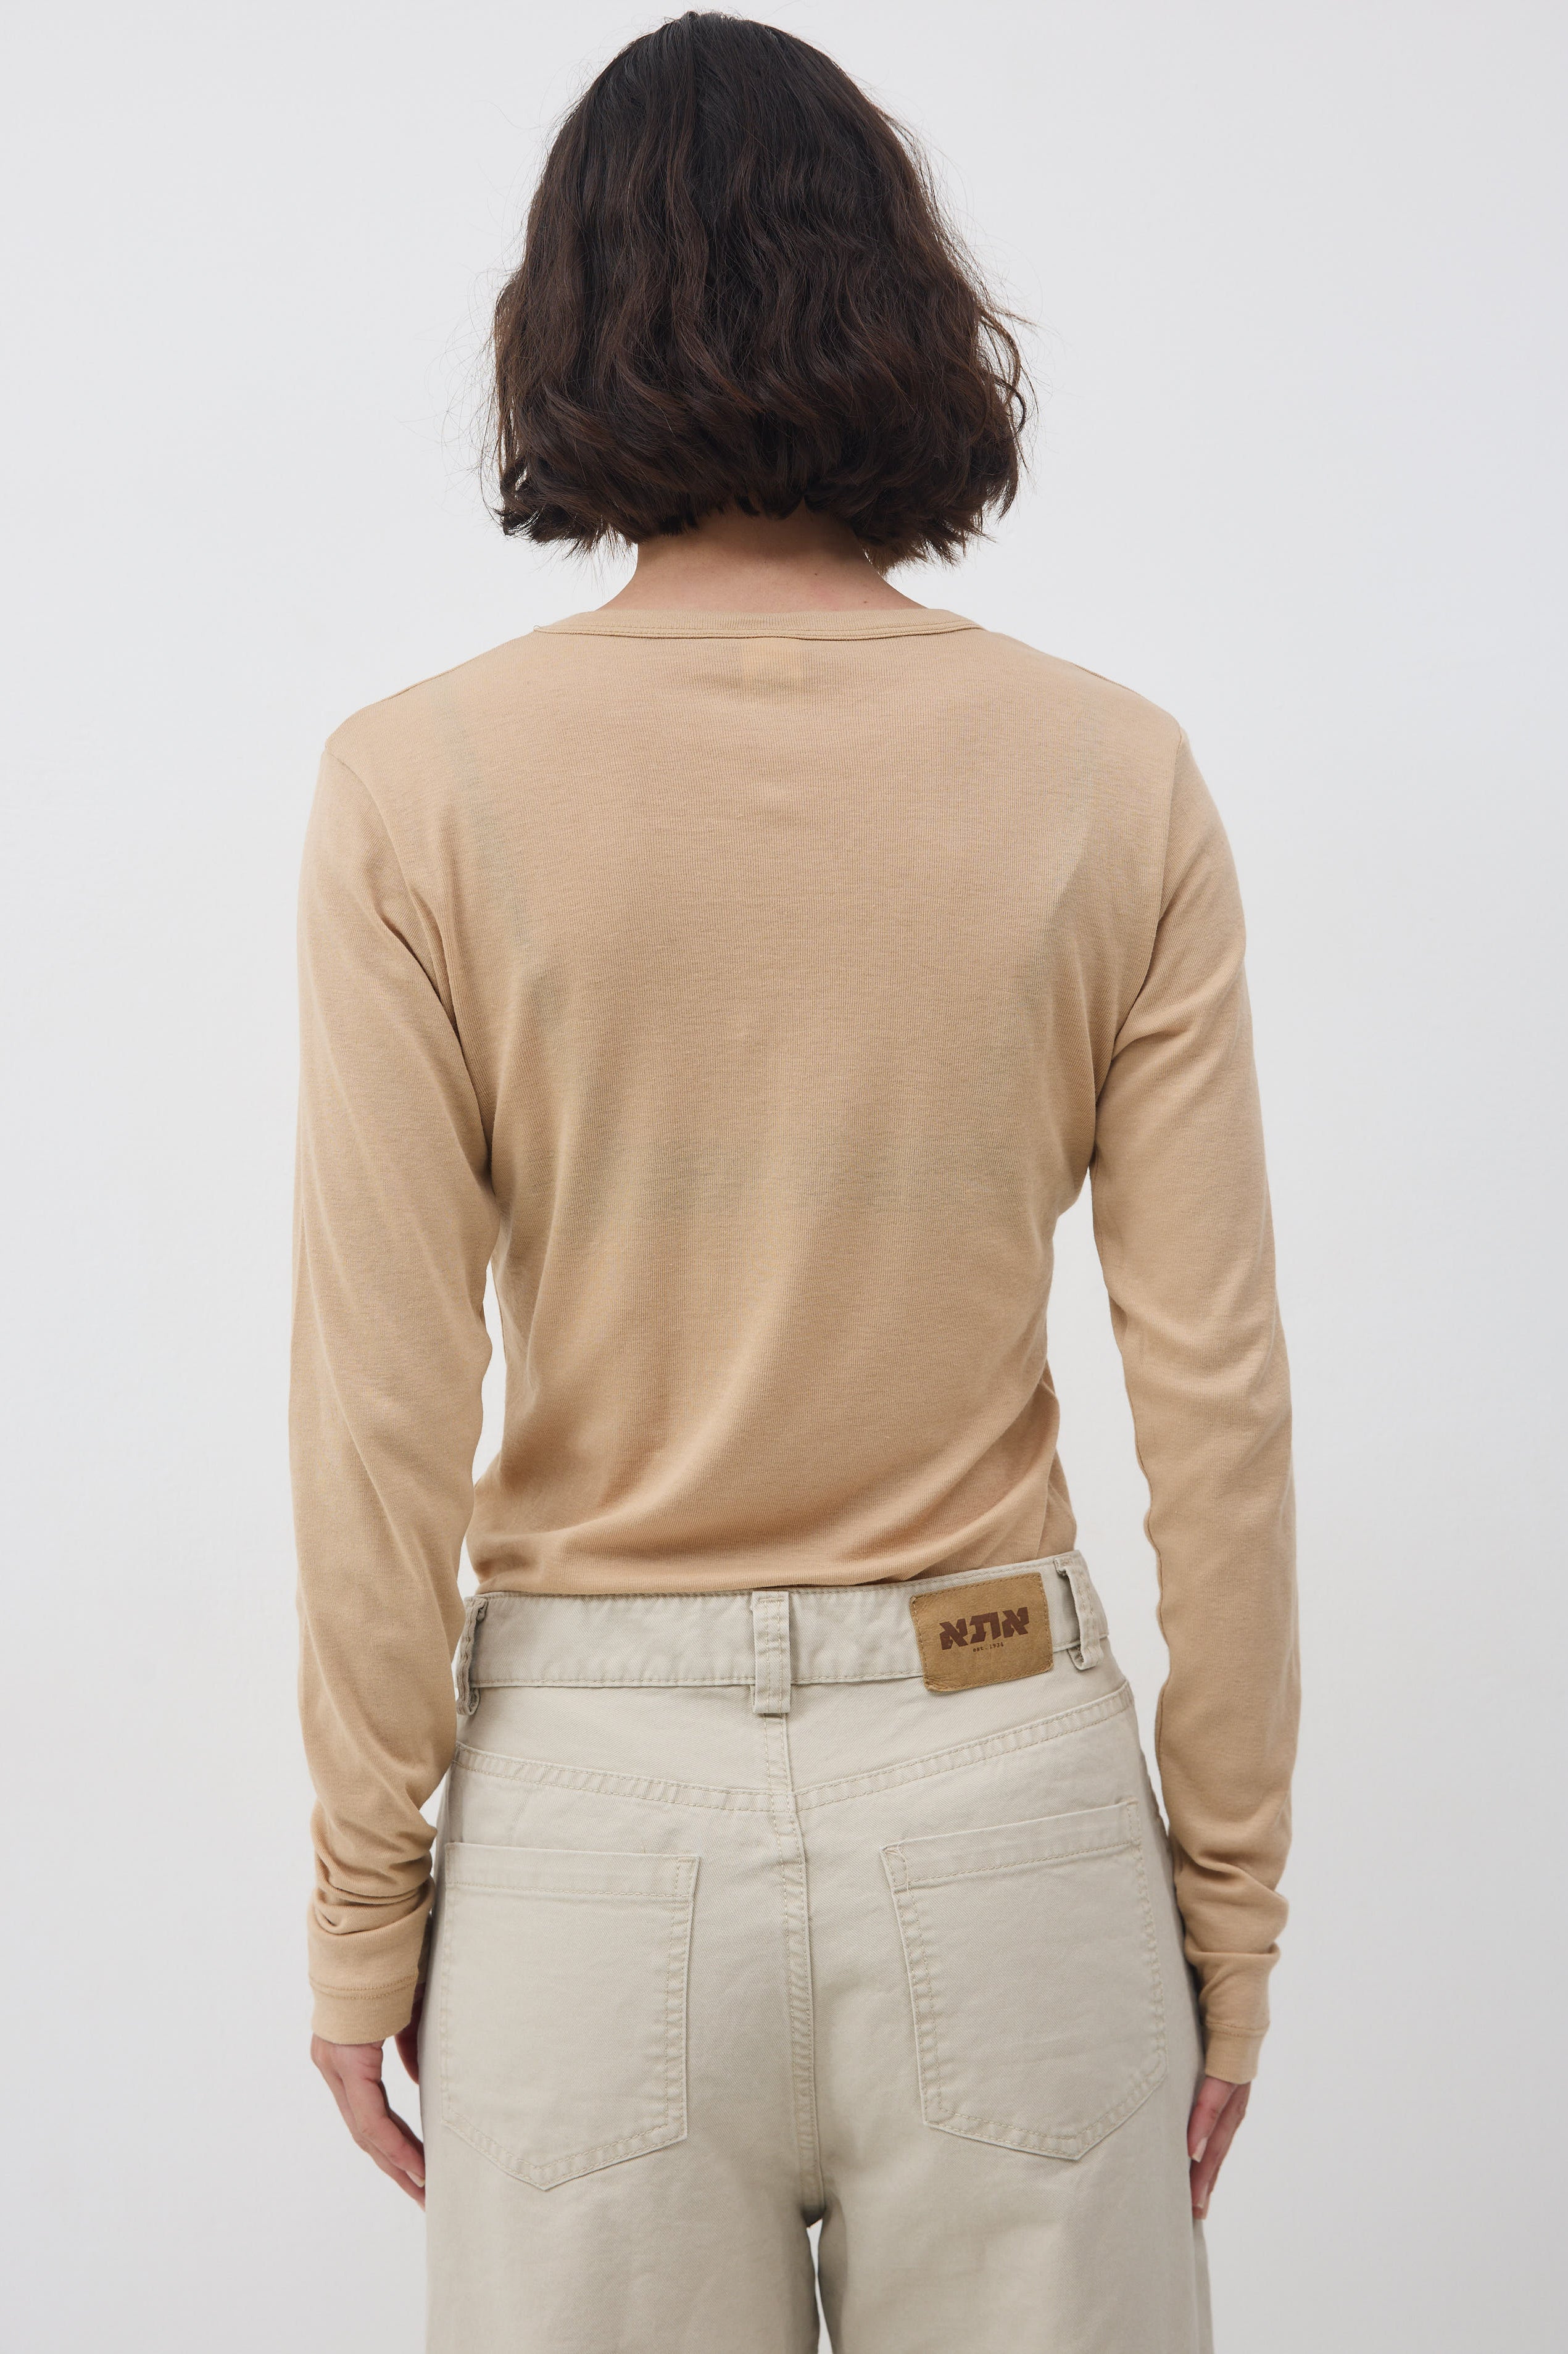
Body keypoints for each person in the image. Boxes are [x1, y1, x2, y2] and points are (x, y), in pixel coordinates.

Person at [291, 14, 1298, 2350]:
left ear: (563, 330)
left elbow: (379, 1411)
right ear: (907, 312)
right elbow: (1218, 1407)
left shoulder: (417, 791)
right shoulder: (1113, 776)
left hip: (584, 1838)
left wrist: (363, 1905)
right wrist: (1228, 1921)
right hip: (1008, 1799)